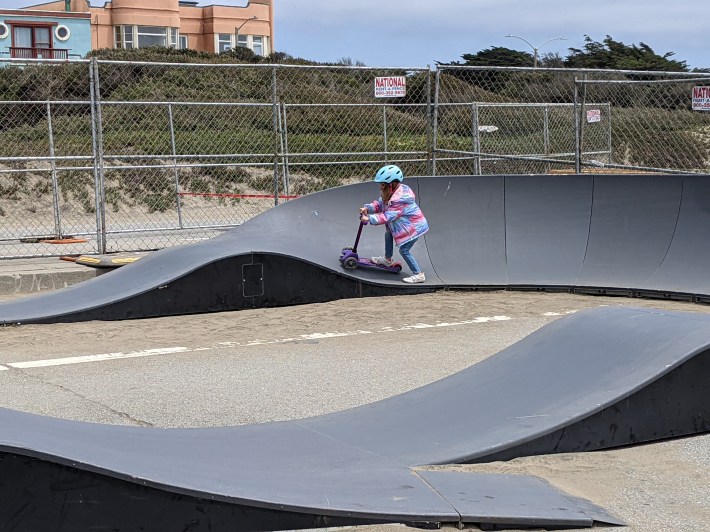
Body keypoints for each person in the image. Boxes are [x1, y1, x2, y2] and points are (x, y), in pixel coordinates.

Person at [359, 164, 429, 283]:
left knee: (404, 250)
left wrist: (369, 219)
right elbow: (380, 204)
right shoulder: (390, 194)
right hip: (404, 225)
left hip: (414, 228)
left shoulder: (400, 200)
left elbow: (388, 216)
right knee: (388, 233)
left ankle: (418, 274)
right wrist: (368, 208)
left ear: (391, 185)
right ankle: (387, 260)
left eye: (382, 185)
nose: (380, 187)